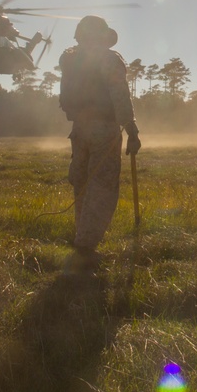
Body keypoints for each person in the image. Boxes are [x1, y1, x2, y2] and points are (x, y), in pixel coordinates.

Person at [58, 15, 141, 273]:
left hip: (79, 129)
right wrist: (132, 129)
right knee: (102, 184)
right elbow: (119, 95)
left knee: (81, 182)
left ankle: (82, 238)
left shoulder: (72, 60)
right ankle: (86, 247)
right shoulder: (108, 59)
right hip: (103, 129)